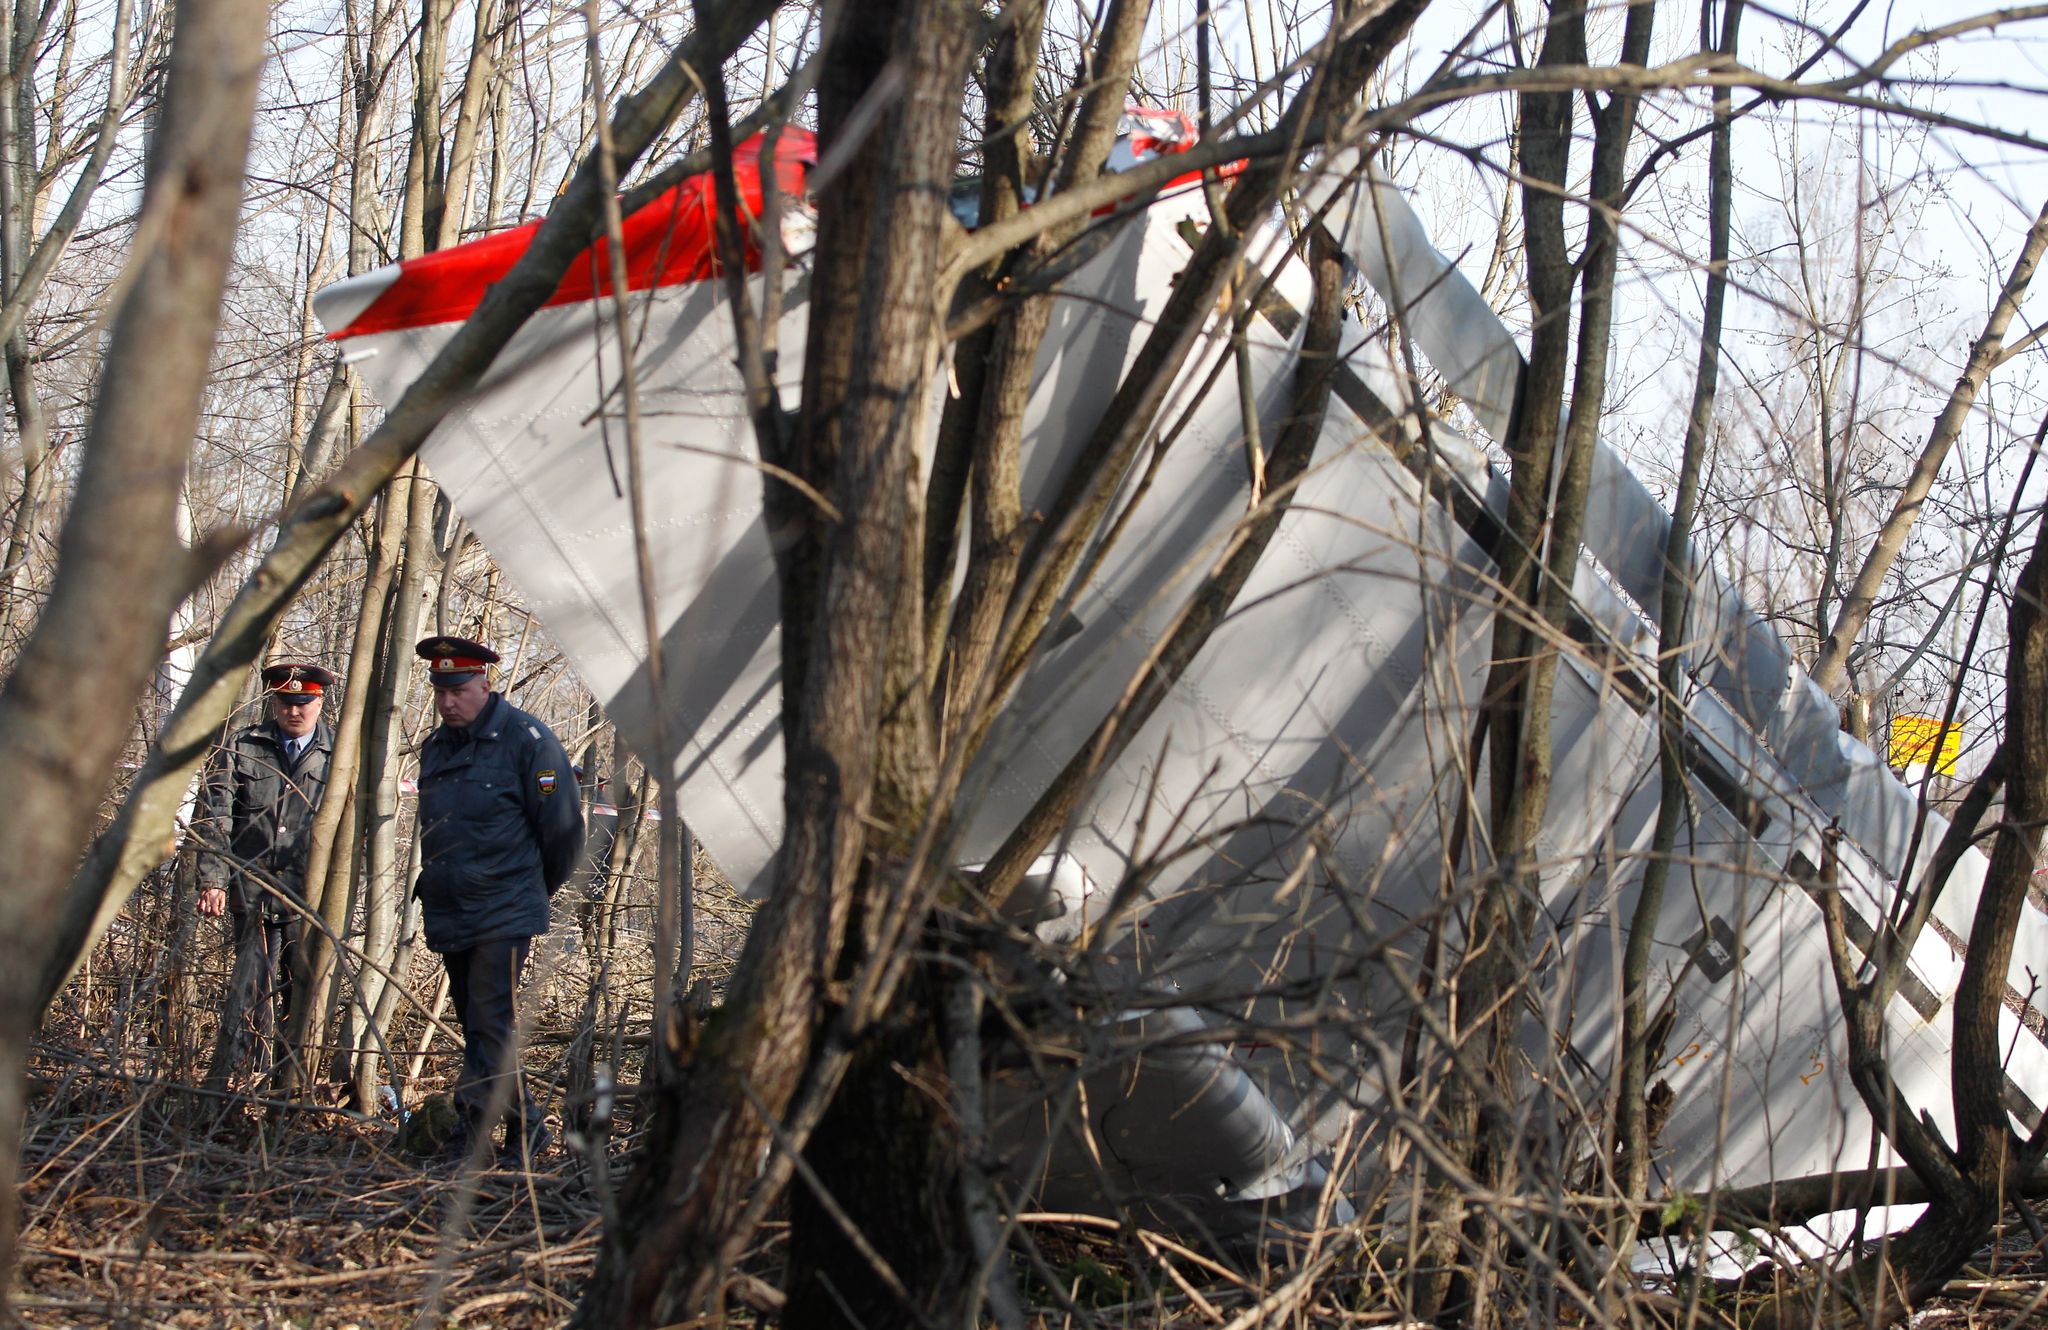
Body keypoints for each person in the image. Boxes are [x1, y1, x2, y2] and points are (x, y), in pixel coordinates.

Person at [413, 635, 584, 1164]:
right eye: (440, 691)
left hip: (504, 908)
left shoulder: (529, 741)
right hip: (451, 908)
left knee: (490, 1021)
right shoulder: (437, 747)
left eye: (459, 690)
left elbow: (562, 835)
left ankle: (470, 1130)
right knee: (485, 1027)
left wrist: (528, 892)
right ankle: (525, 1128)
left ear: (485, 683)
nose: (448, 702)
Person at [196, 661, 337, 1088]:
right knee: (249, 986)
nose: (294, 711)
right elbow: (214, 815)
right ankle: (239, 1078)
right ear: (273, 701)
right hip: (249, 885)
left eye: (304, 702)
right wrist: (213, 879)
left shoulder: (340, 753)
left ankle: (287, 1082)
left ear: (320, 701)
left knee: (301, 985)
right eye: (285, 702)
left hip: (306, 891)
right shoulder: (242, 745)